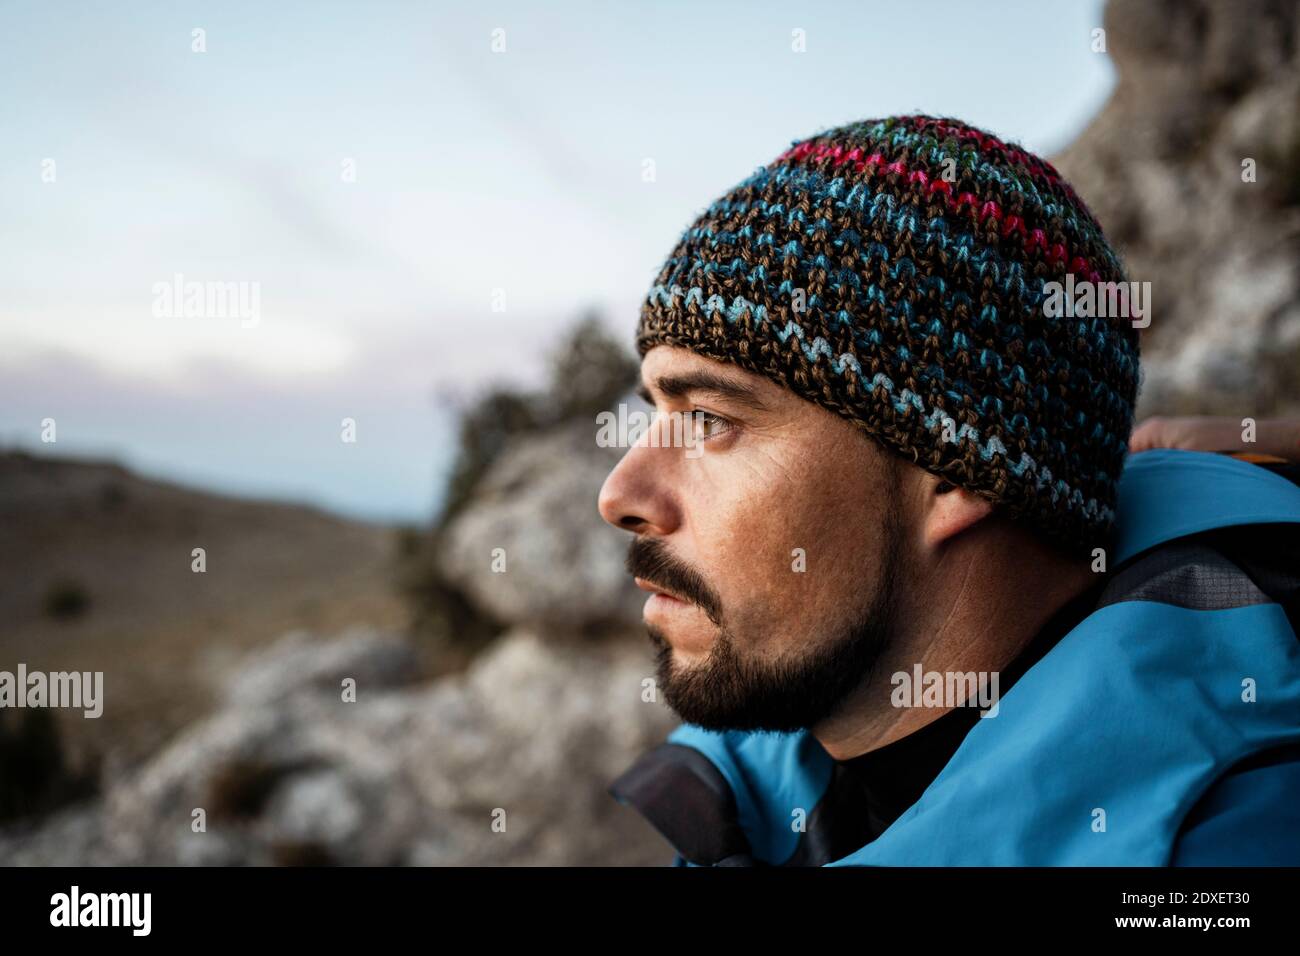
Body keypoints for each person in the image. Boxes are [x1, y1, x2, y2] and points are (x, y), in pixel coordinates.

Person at [597, 115, 1300, 866]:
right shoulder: (748, 805)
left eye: (707, 418)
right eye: (655, 413)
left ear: (957, 474)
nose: (620, 493)